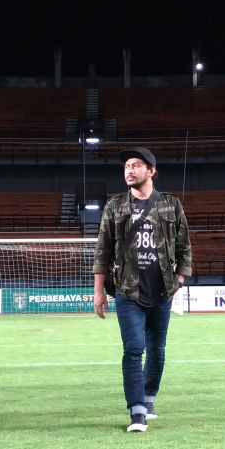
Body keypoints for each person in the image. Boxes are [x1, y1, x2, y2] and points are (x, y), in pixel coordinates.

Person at [93, 146, 192, 432]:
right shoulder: (115, 206)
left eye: (136, 165)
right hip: (128, 291)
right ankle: (137, 413)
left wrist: (179, 280)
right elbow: (102, 251)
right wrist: (99, 291)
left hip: (162, 291)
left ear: (151, 171)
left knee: (157, 349)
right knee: (133, 349)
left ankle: (149, 398)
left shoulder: (171, 204)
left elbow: (185, 246)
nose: (129, 170)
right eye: (126, 166)